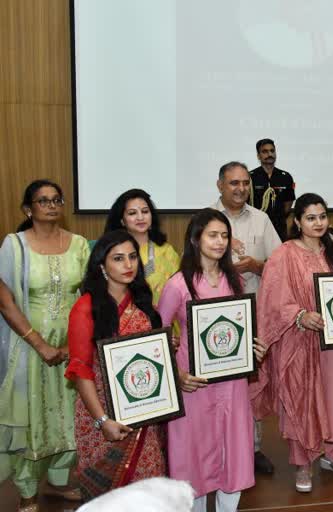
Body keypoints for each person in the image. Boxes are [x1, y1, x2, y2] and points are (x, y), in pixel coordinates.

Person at [252, 193, 333, 493]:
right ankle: (303, 462)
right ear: (298, 221)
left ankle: (332, 454)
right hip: (298, 343)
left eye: (323, 216)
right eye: (311, 217)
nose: (318, 223)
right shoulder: (283, 254)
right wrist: (300, 316)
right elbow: (272, 301)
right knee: (301, 399)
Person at [0, 180, 90, 511]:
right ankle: (27, 491)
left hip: (72, 348)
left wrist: (76, 343)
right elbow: (4, 298)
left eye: (56, 200)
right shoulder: (14, 245)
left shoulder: (79, 244)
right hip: (27, 349)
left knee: (70, 413)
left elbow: (89, 294)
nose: (51, 205)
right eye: (43, 201)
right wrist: (38, 343)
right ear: (28, 209)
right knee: (30, 417)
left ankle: (59, 480)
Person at [157, 209, 255, 512]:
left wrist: (252, 346)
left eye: (224, 235)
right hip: (194, 384)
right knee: (194, 455)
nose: (220, 241)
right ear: (195, 239)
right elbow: (157, 339)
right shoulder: (177, 285)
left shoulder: (234, 280)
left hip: (232, 382)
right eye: (213, 235)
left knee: (233, 449)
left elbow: (239, 329)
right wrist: (176, 374)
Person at [65, 231, 167, 501]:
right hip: (101, 414)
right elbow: (80, 370)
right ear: (102, 265)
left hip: (143, 414)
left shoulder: (144, 304)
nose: (128, 265)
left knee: (147, 489)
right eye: (118, 259)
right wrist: (102, 420)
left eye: (133, 257)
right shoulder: (86, 308)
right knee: (107, 496)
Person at [213, 161, 282, 474]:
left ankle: (252, 449)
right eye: (233, 183)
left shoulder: (262, 219)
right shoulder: (206, 220)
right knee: (218, 386)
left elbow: (280, 266)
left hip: (253, 313)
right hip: (214, 318)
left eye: (244, 183)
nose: (240, 189)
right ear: (220, 186)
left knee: (252, 383)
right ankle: (219, 449)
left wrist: (256, 266)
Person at [103, 189, 180, 304]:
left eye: (145, 211)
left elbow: (179, 291)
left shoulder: (167, 251)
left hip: (164, 319)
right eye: (132, 213)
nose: (140, 217)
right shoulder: (111, 252)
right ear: (122, 220)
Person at [249, 138, 296, 241]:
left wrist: (277, 215)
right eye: (265, 151)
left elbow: (288, 204)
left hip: (279, 227)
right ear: (258, 156)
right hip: (256, 228)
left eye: (272, 151)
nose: (269, 154)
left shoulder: (285, 177)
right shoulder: (250, 177)